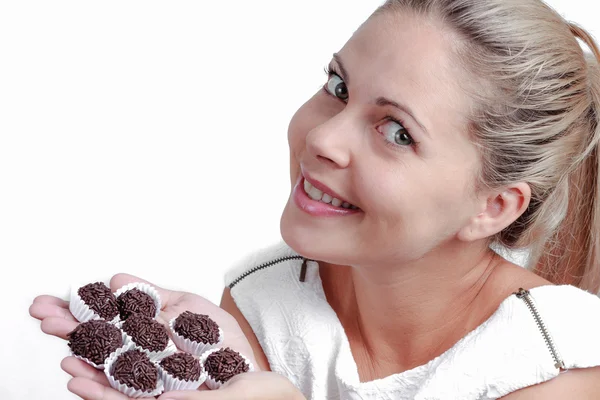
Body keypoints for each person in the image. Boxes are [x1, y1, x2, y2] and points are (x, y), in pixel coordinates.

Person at [30, 0, 600, 398]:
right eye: (338, 87)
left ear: (493, 207)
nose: (323, 138)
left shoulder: (555, 364)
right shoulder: (265, 301)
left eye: (397, 131)